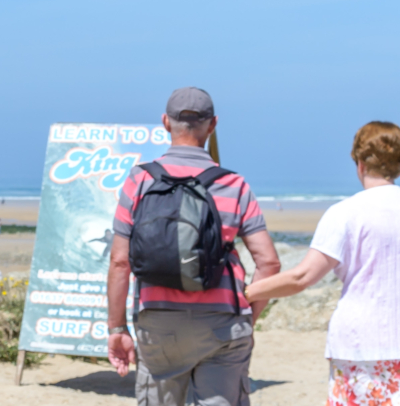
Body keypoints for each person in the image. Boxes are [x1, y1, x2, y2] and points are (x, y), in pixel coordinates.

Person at [245, 121, 400, 406]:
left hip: (362, 341)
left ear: (360, 163)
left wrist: (246, 294)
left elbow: (303, 277)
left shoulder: (344, 213)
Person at [106, 87, 280, 406]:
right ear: (212, 125)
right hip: (223, 322)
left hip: (157, 321)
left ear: (165, 123)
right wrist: (245, 315)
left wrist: (117, 328)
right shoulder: (233, 184)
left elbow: (120, 262)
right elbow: (269, 263)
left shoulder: (139, 180)